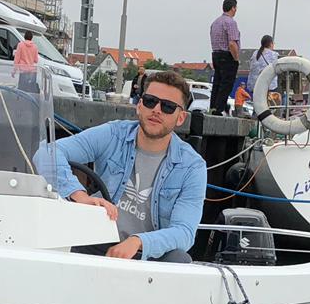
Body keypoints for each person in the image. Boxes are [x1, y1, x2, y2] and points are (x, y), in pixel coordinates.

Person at [47, 69, 206, 261]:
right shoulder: (113, 134)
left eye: (168, 107)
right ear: (139, 105)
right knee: (56, 239)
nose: (156, 110)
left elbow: (184, 232)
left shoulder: (192, 167)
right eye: (150, 101)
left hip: (148, 253)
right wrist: (79, 196)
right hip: (97, 239)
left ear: (180, 118)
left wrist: (138, 241)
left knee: (179, 258)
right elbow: (47, 153)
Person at [209, 0, 240, 113]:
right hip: (227, 55)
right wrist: (236, 58)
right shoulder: (231, 22)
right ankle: (219, 109)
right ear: (233, 8)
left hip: (216, 54)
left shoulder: (215, 22)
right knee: (226, 84)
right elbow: (232, 43)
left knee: (217, 83)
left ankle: (213, 107)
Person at [244, 34, 278, 108]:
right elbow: (276, 68)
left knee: (257, 104)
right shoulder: (273, 55)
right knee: (265, 104)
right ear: (270, 44)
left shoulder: (255, 54)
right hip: (266, 84)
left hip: (254, 84)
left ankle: (256, 113)